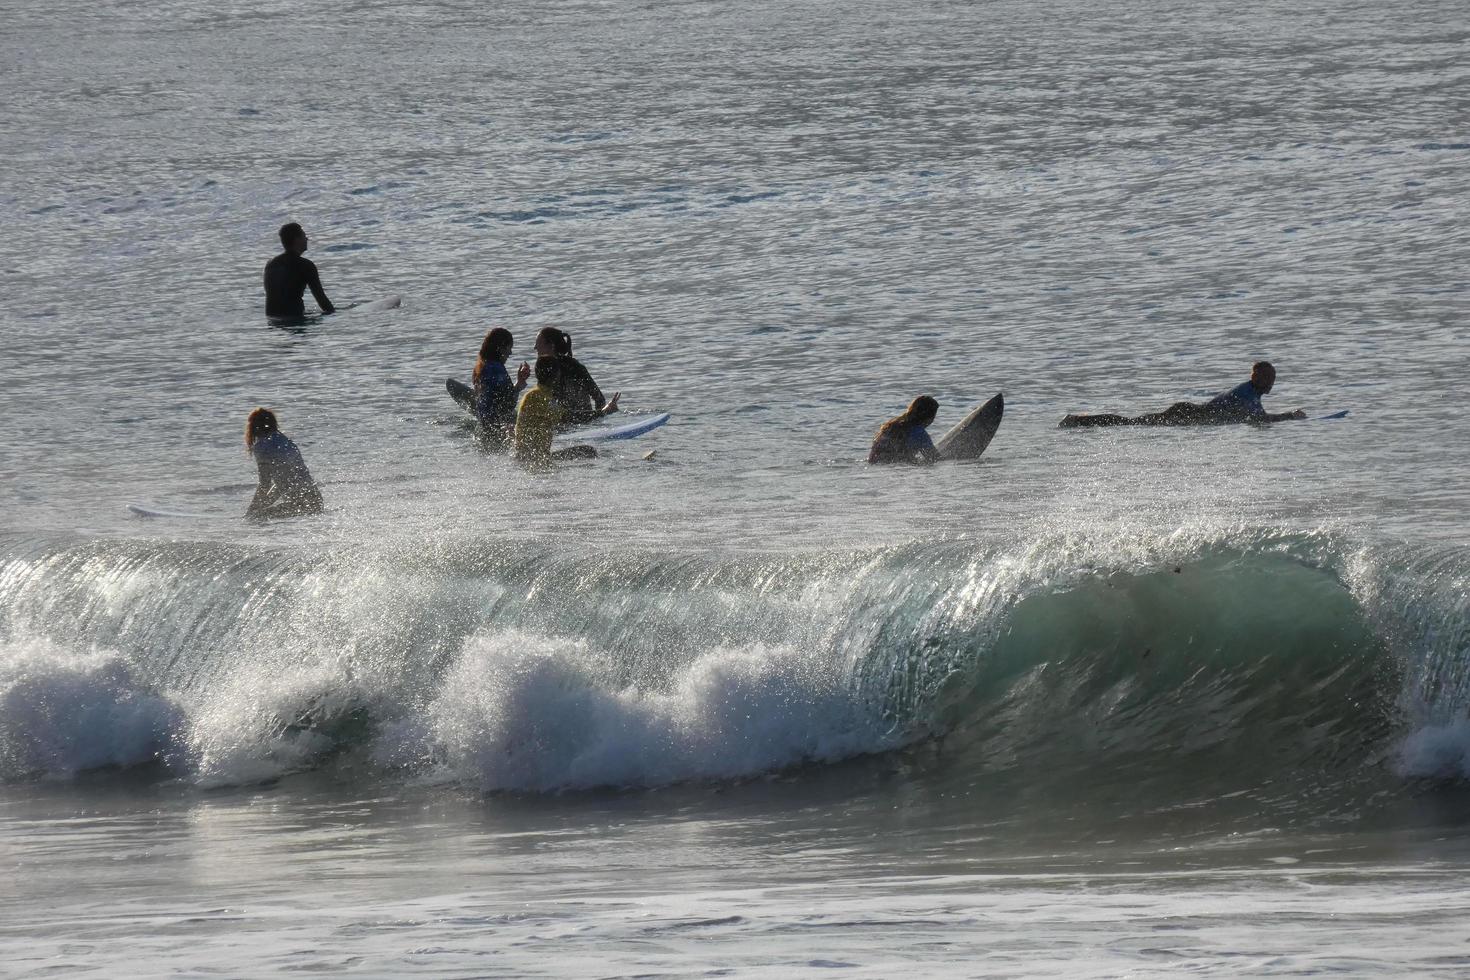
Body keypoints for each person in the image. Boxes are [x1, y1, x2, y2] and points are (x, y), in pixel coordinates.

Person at [1059, 361, 1307, 428]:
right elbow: (1260, 421)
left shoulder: (1253, 395)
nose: (1272, 381)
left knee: (1131, 422)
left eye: (1273, 377)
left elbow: (1258, 419)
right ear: (1256, 378)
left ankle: (1081, 420)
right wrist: (1289, 416)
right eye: (1268, 377)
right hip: (1188, 415)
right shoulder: (1246, 394)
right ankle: (1079, 420)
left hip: (1189, 414)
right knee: (1129, 423)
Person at [513, 357, 619, 468]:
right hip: (531, 460)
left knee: (587, 451)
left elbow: (566, 418)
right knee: (588, 452)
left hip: (538, 457)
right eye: (559, 372)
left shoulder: (541, 394)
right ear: (554, 375)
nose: (560, 376)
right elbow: (570, 417)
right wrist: (603, 412)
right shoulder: (538, 396)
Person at [245, 408, 324, 519]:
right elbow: (281, 484)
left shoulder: (261, 447)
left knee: (255, 518)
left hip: (299, 504)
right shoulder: (286, 441)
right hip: (317, 502)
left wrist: (251, 511)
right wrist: (260, 506)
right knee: (258, 515)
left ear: (253, 427)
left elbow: (265, 485)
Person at [471, 328, 531, 448]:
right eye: (509, 348)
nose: (510, 353)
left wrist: (519, 382)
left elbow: (497, 398)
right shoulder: (497, 369)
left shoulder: (482, 366)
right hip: (498, 433)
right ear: (500, 348)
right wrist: (519, 385)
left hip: (484, 430)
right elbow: (507, 405)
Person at [264, 222, 334, 318]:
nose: (307, 239)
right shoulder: (305, 265)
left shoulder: (270, 264)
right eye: (304, 236)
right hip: (294, 319)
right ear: (297, 240)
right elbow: (322, 301)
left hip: (272, 321)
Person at [534, 327, 607, 415]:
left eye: (538, 344)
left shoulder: (573, 367)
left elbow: (599, 398)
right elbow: (600, 399)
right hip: (580, 420)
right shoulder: (546, 368)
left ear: (551, 345)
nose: (535, 348)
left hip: (577, 421)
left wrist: (597, 419)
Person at [868, 396, 941, 465]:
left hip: (874, 465)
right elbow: (934, 458)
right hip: (898, 468)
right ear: (929, 416)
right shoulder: (919, 432)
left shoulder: (891, 426)